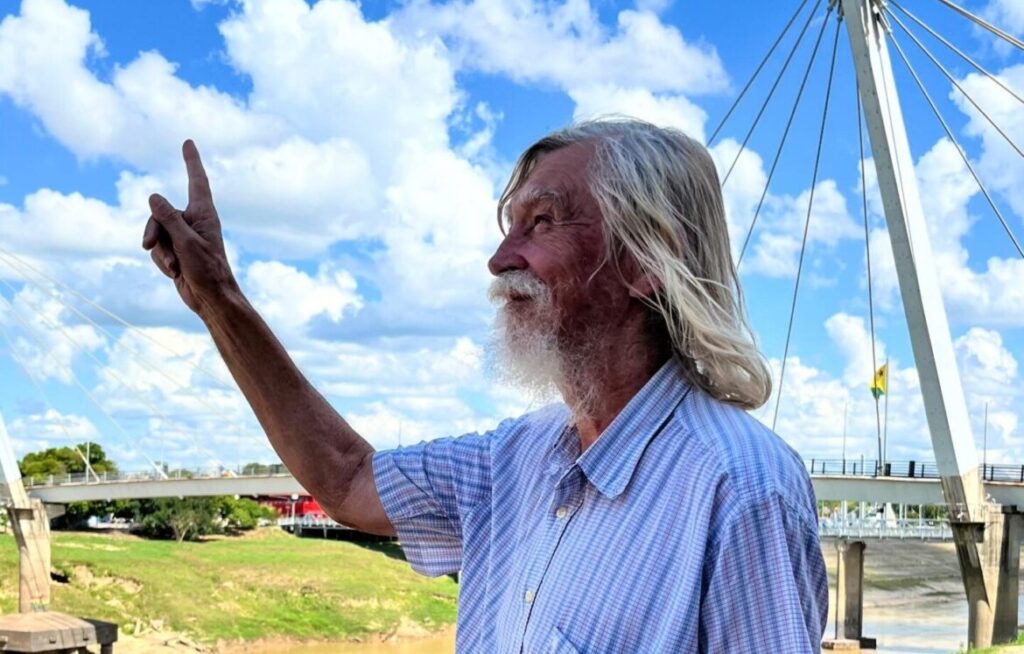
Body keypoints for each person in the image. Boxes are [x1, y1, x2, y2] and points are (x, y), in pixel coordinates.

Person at [144, 118, 827, 652]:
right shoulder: (516, 459)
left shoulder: (742, 489)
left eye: (542, 222)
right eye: (509, 228)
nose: (500, 260)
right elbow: (347, 479)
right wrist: (218, 300)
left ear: (649, 258)